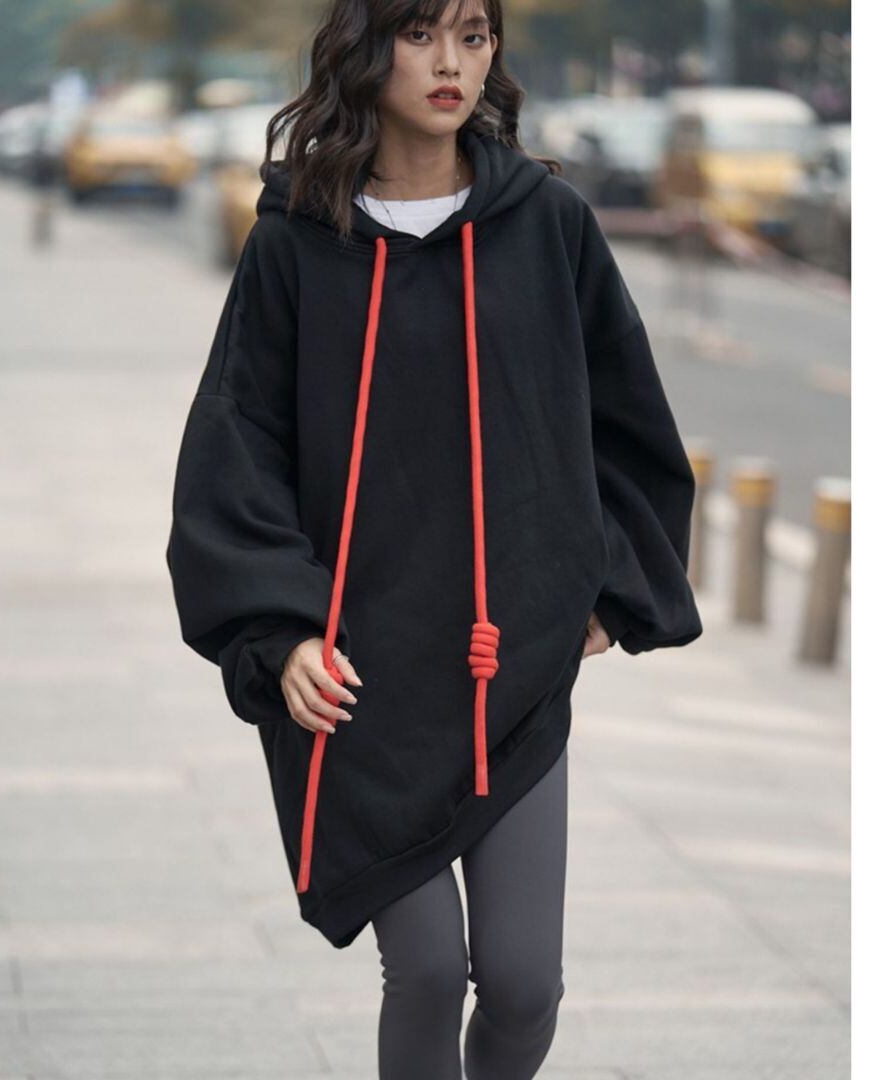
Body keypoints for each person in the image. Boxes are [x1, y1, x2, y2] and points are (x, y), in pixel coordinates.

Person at [165, 1, 703, 1076]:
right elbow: (235, 451)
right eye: (420, 34)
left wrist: (608, 589)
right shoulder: (295, 243)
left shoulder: (548, 226)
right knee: (423, 970)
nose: (450, 63)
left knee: (523, 982)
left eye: (473, 34)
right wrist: (281, 633)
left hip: (506, 670)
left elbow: (629, 421)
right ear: (367, 49)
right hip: (356, 683)